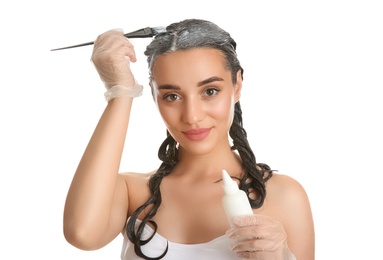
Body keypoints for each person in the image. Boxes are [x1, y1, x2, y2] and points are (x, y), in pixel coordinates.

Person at [63, 18, 315, 259]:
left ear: (237, 84)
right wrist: (120, 91)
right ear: (153, 95)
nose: (192, 116)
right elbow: (82, 234)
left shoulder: (284, 196)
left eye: (210, 91)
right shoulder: (132, 193)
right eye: (172, 96)